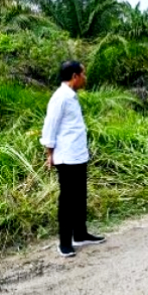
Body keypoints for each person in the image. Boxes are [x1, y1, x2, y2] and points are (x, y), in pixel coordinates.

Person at [40, 61, 106, 258]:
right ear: (75, 76)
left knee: (80, 197)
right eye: (83, 74)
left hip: (78, 155)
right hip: (66, 158)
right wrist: (49, 154)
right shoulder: (60, 98)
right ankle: (65, 243)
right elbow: (49, 127)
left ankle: (80, 233)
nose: (85, 78)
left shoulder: (71, 96)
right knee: (68, 201)